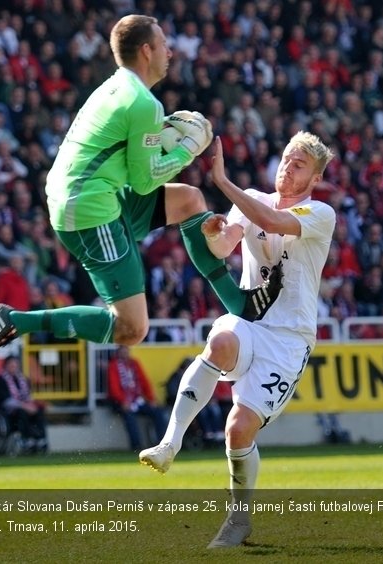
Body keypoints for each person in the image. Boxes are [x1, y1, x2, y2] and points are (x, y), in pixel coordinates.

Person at [0, 14, 282, 364]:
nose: (170, 51)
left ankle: (238, 303)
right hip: (90, 210)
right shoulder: (143, 103)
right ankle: (15, 320)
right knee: (132, 329)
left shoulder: (116, 87)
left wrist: (165, 141)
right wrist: (186, 150)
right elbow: (145, 180)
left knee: (190, 200)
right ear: (147, 51)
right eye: (163, 44)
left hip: (88, 195)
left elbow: (130, 161)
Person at [139, 132, 336, 548]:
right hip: (250, 320)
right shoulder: (253, 199)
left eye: (299, 165)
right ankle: (170, 443)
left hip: (289, 339)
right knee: (221, 342)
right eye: (286, 159)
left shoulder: (320, 213)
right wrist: (214, 233)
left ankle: (239, 518)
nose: (287, 168)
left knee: (238, 429)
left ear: (315, 178)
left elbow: (273, 223)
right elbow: (223, 245)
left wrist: (222, 181)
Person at [107, 345, 167, 451]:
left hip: (137, 400)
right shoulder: (113, 365)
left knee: (158, 412)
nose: (125, 353)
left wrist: (151, 399)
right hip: (121, 402)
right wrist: (123, 401)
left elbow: (144, 382)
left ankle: (162, 443)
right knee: (130, 416)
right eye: (122, 351)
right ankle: (136, 446)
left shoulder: (134, 364)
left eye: (126, 351)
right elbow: (114, 387)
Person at [0, 355, 48, 454]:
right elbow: (5, 401)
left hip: (24, 409)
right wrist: (25, 406)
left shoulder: (22, 379)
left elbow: (27, 396)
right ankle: (27, 440)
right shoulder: (0, 380)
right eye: (11, 365)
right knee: (22, 412)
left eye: (15, 365)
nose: (14, 367)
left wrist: (31, 405)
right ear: (6, 366)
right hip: (9, 413)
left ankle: (41, 439)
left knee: (38, 411)